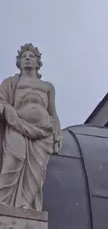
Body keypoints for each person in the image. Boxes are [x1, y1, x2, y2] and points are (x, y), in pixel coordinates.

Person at [0, 43, 62, 210]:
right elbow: (2, 101)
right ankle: (3, 201)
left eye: (31, 56)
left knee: (35, 171)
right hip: (17, 126)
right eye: (24, 57)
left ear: (38, 62)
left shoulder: (48, 87)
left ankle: (25, 204)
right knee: (14, 158)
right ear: (19, 62)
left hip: (43, 133)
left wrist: (58, 134)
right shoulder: (11, 83)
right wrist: (7, 109)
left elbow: (52, 112)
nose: (27, 59)